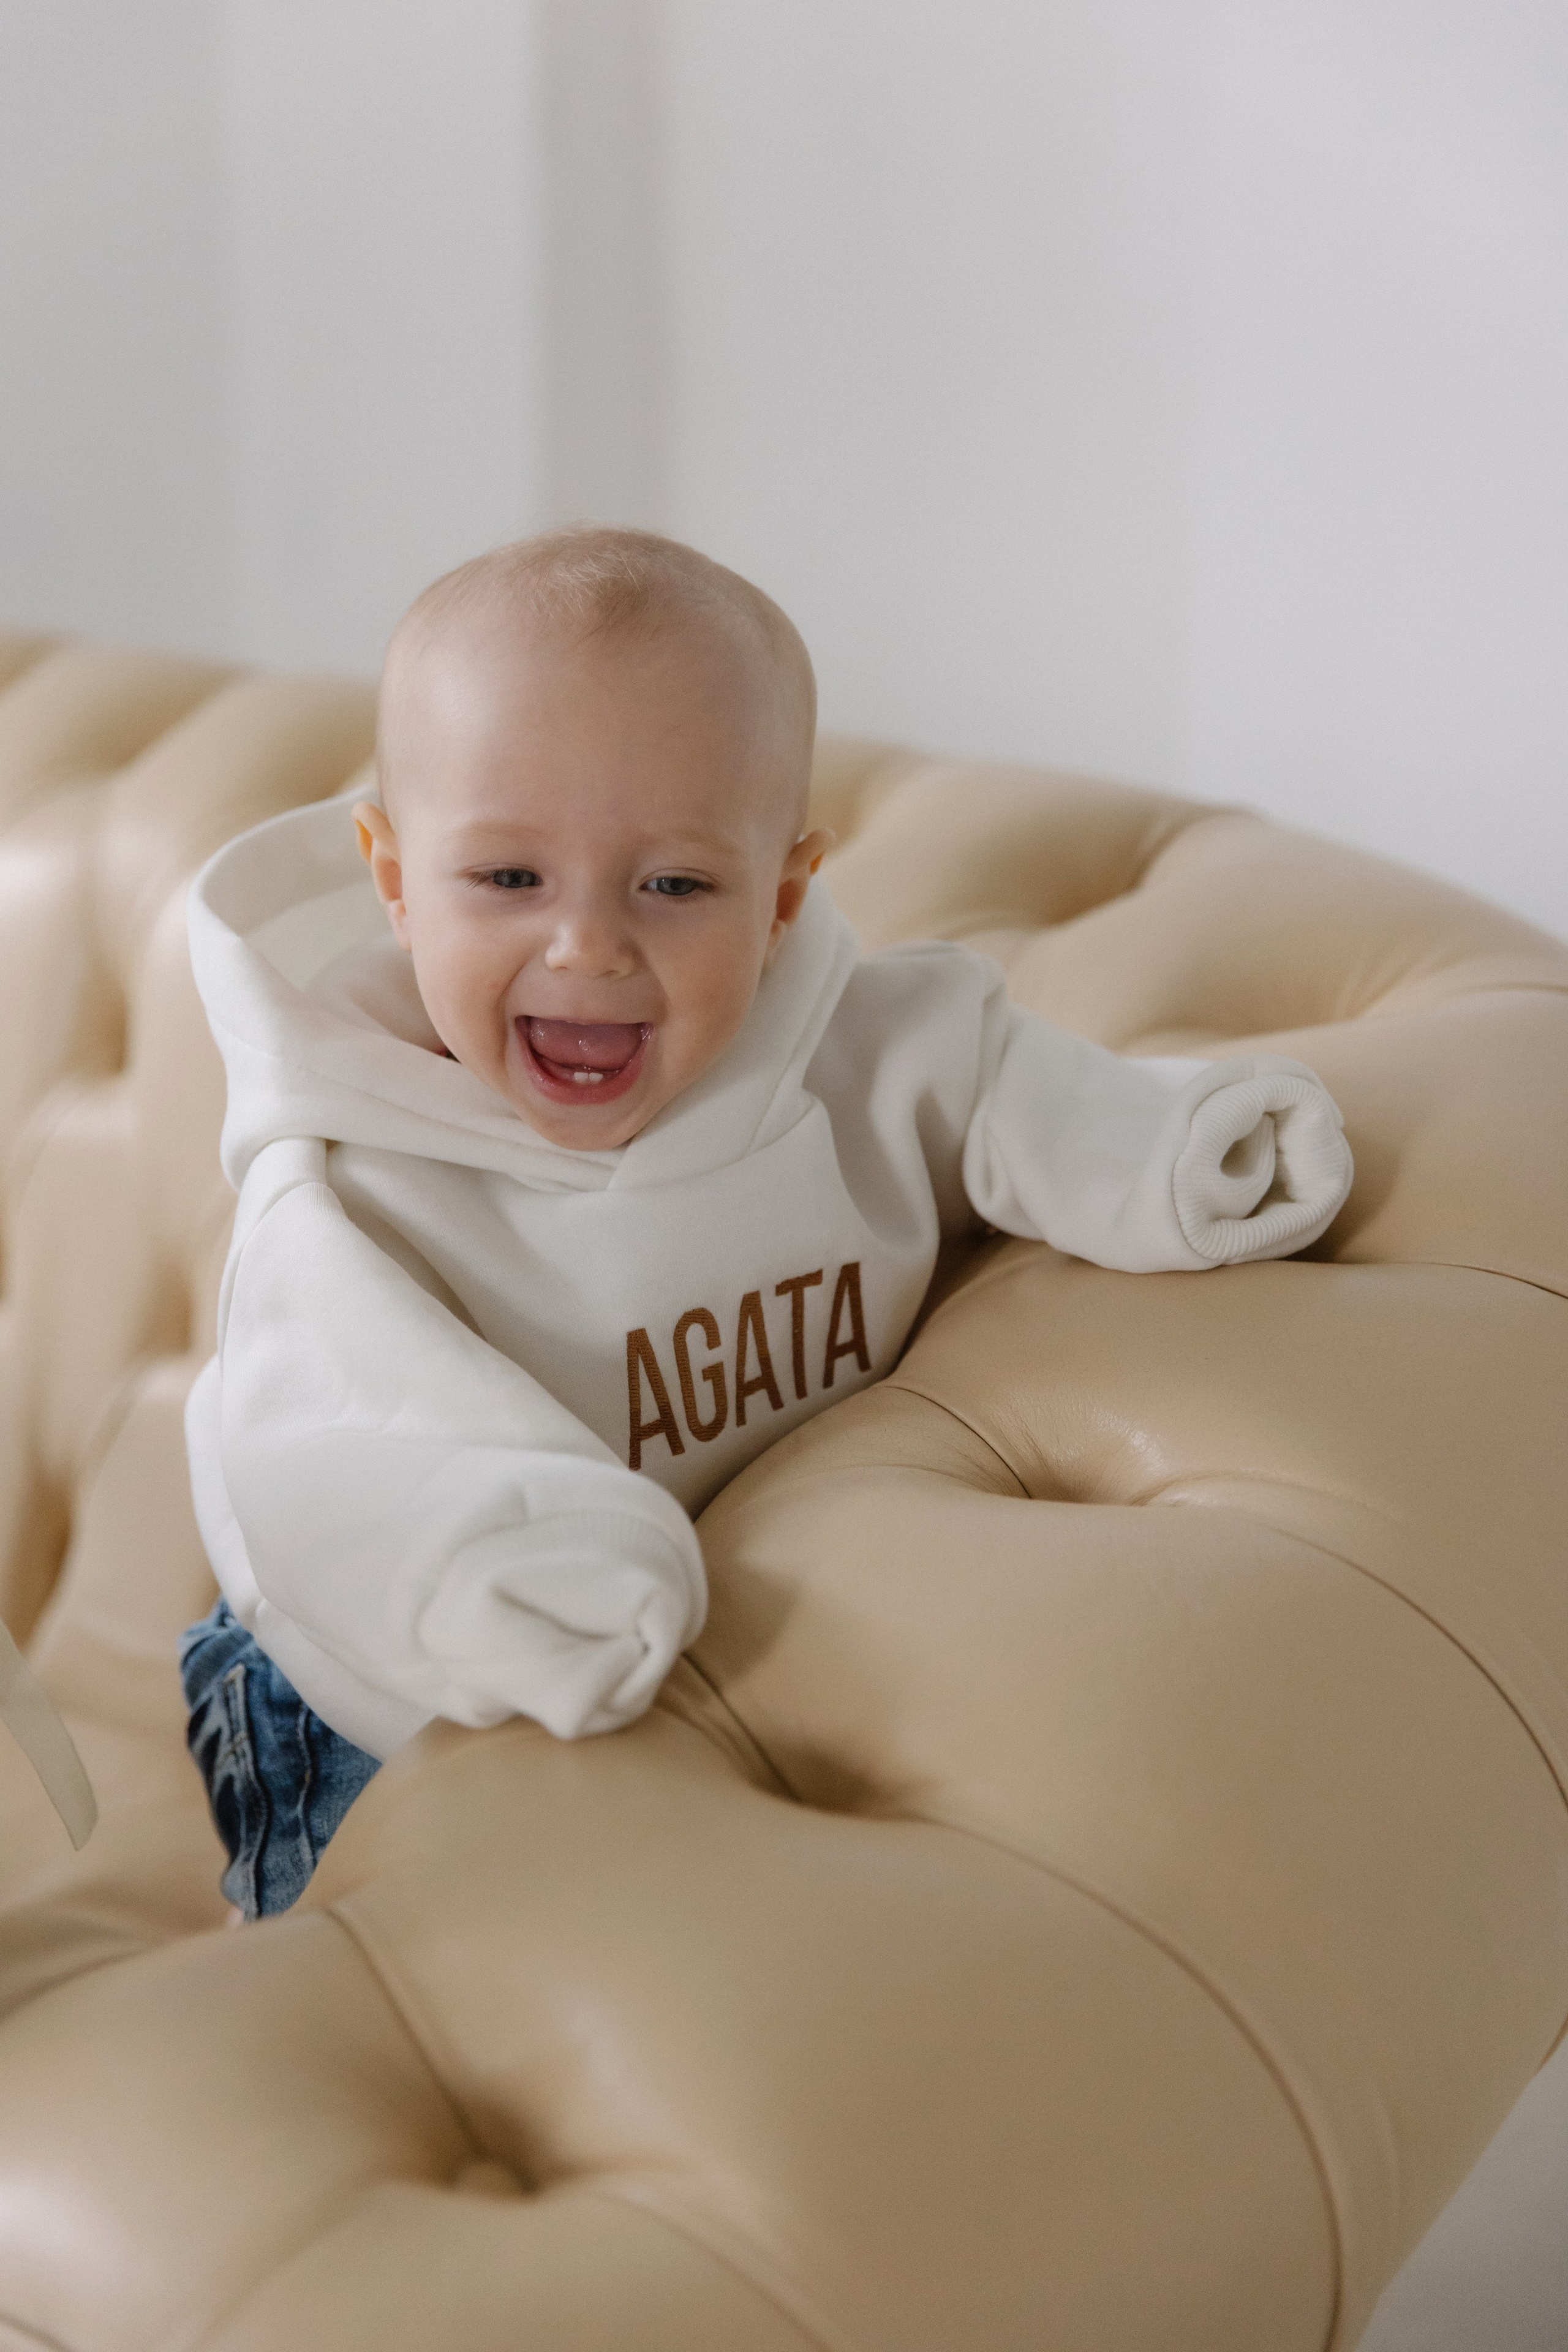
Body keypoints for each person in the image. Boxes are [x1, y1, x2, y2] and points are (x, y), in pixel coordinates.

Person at [180, 526, 1353, 1918]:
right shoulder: (347, 1196)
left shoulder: (848, 1047)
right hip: (377, 1672)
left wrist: (1178, 1157)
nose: (587, 947)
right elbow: (332, 1449)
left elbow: (1001, 1086)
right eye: (506, 880)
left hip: (719, 1633)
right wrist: (510, 1569)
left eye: (673, 885)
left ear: (783, 893)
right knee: (457, 1971)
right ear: (389, 877)